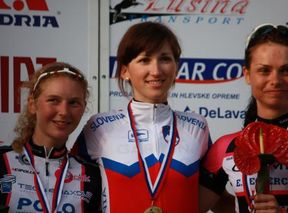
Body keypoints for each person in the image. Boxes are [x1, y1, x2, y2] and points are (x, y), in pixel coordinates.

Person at [71, 21, 212, 212]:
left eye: (165, 59)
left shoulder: (197, 127)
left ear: (176, 67)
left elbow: (217, 197)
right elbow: (70, 193)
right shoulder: (99, 128)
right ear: (125, 71)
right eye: (144, 60)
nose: (156, 70)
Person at [200, 23, 288, 213]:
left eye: (286, 70)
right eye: (264, 70)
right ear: (247, 75)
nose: (275, 80)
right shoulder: (225, 147)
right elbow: (190, 205)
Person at [0, 62, 102, 212]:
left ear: (83, 108)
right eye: (54, 100)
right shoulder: (2, 161)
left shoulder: (92, 175)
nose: (64, 111)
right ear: (32, 104)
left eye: (74, 102)